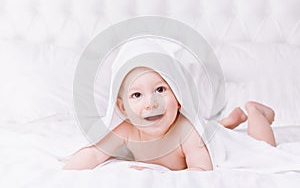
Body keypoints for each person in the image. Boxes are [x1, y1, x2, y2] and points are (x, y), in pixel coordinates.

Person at [63, 66, 276, 171]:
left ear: (178, 96)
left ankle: (256, 112)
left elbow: (201, 171)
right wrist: (65, 174)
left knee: (262, 147)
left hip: (213, 142)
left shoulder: (186, 132)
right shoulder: (125, 131)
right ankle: (224, 124)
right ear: (123, 108)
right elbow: (93, 154)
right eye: (137, 95)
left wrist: (157, 175)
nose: (151, 103)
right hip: (205, 134)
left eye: (160, 89)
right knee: (210, 131)